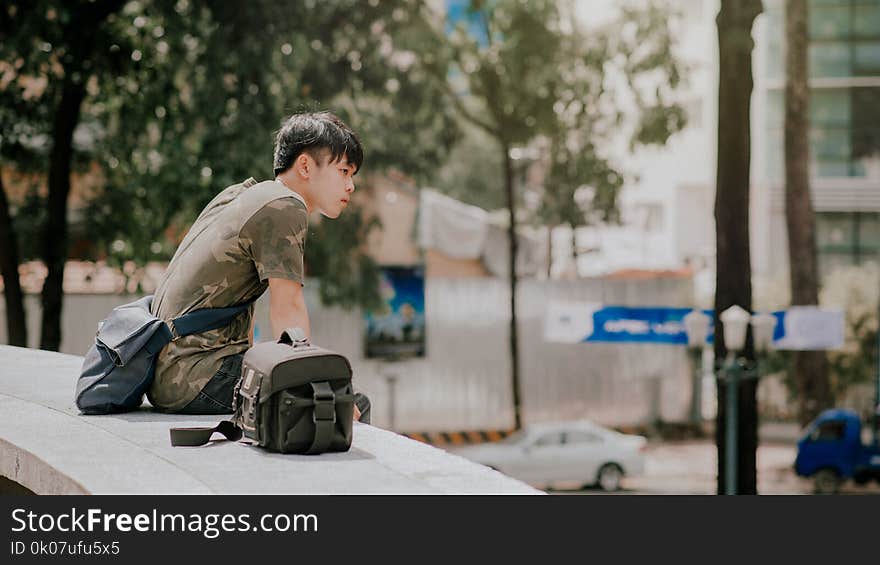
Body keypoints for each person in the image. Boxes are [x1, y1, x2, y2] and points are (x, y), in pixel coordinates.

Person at [147, 111, 369, 422]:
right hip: (195, 377)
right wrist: (318, 386)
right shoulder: (285, 207)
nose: (351, 186)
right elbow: (287, 309)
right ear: (305, 166)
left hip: (170, 370)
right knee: (347, 402)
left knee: (326, 394)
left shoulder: (244, 194)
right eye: (344, 171)